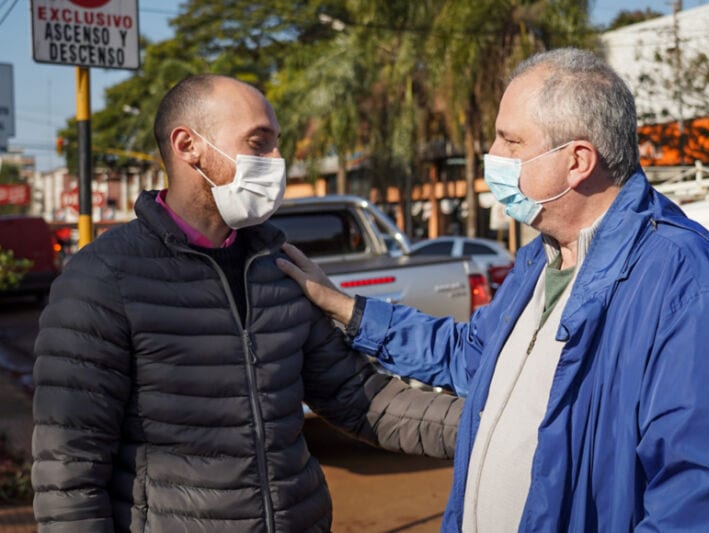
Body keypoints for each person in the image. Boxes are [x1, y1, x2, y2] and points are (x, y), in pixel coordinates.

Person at [278, 48, 709, 532]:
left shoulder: (683, 280)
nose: (492, 156)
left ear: (577, 160)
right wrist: (348, 309)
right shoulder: (542, 255)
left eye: (509, 141)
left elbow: (705, 501)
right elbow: (473, 357)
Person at [31, 74, 462, 532]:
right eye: (259, 143)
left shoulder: (279, 265)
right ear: (188, 145)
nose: (276, 161)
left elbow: (359, 398)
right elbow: (68, 472)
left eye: (276, 145)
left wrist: (497, 426)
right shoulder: (104, 277)